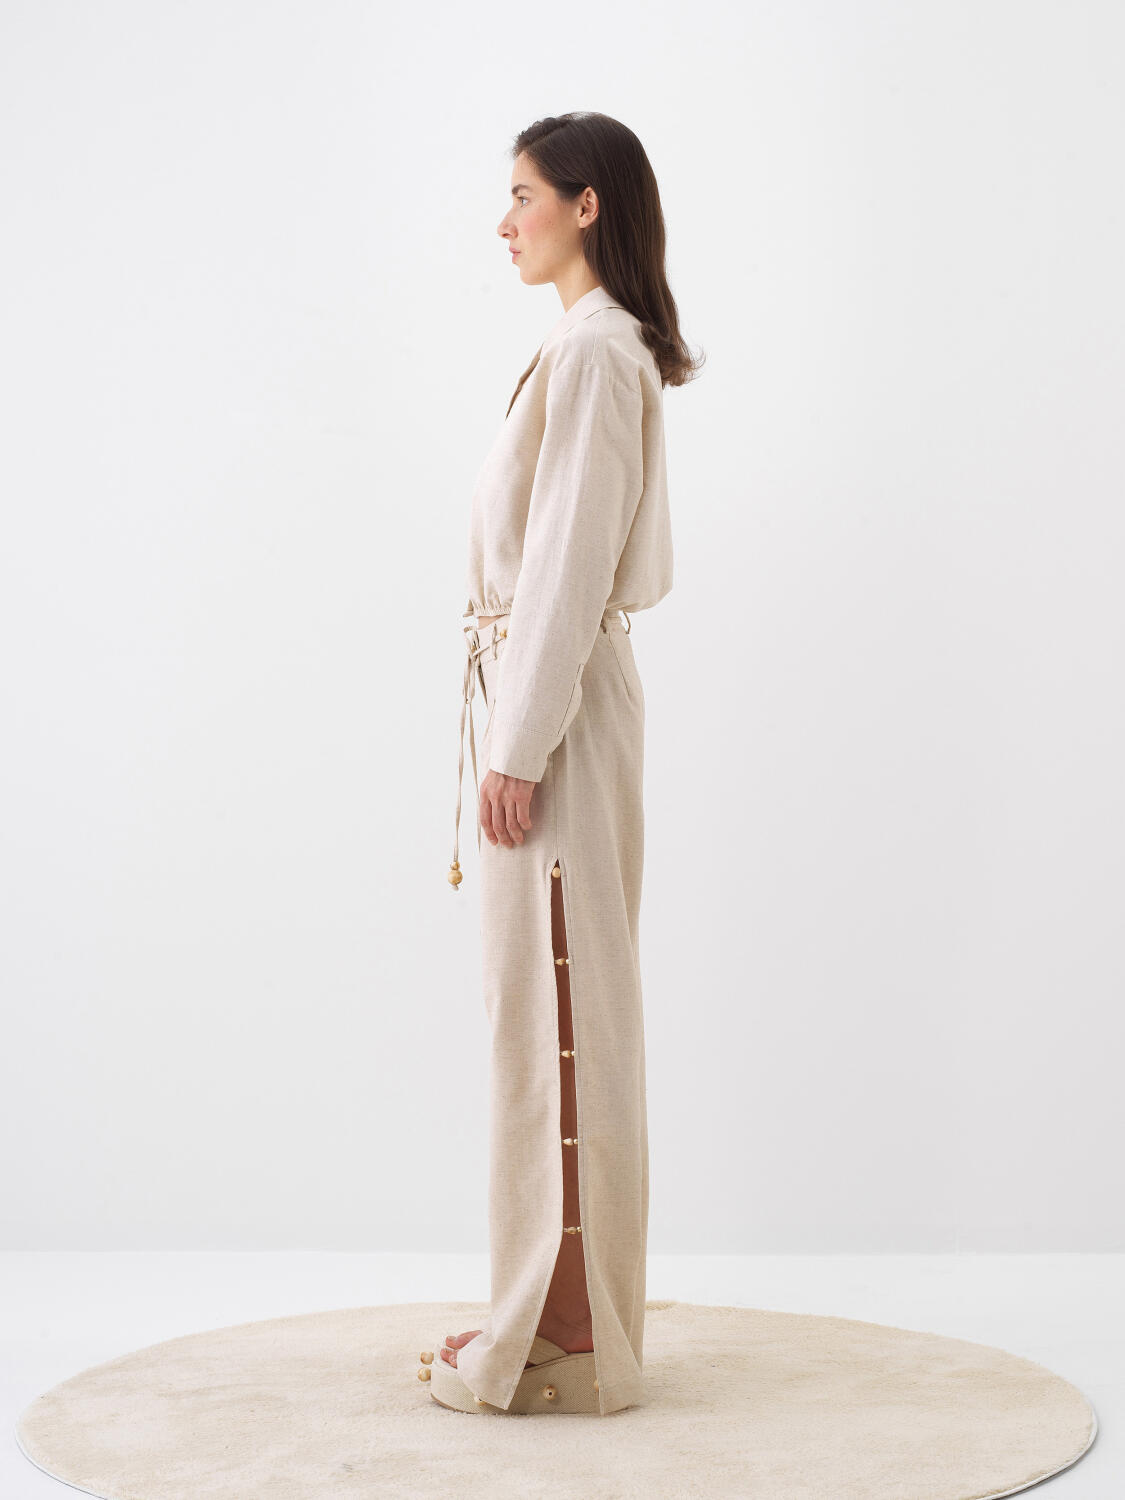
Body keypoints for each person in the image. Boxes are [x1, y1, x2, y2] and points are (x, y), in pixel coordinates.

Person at [424, 111, 700, 1417]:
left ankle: (564, 1323)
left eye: (524, 195)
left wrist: (518, 744)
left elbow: (569, 563)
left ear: (587, 205)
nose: (504, 221)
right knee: (544, 1009)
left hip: (560, 714)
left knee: (561, 1007)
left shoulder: (594, 353)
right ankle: (552, 1309)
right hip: (554, 702)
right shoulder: (585, 347)